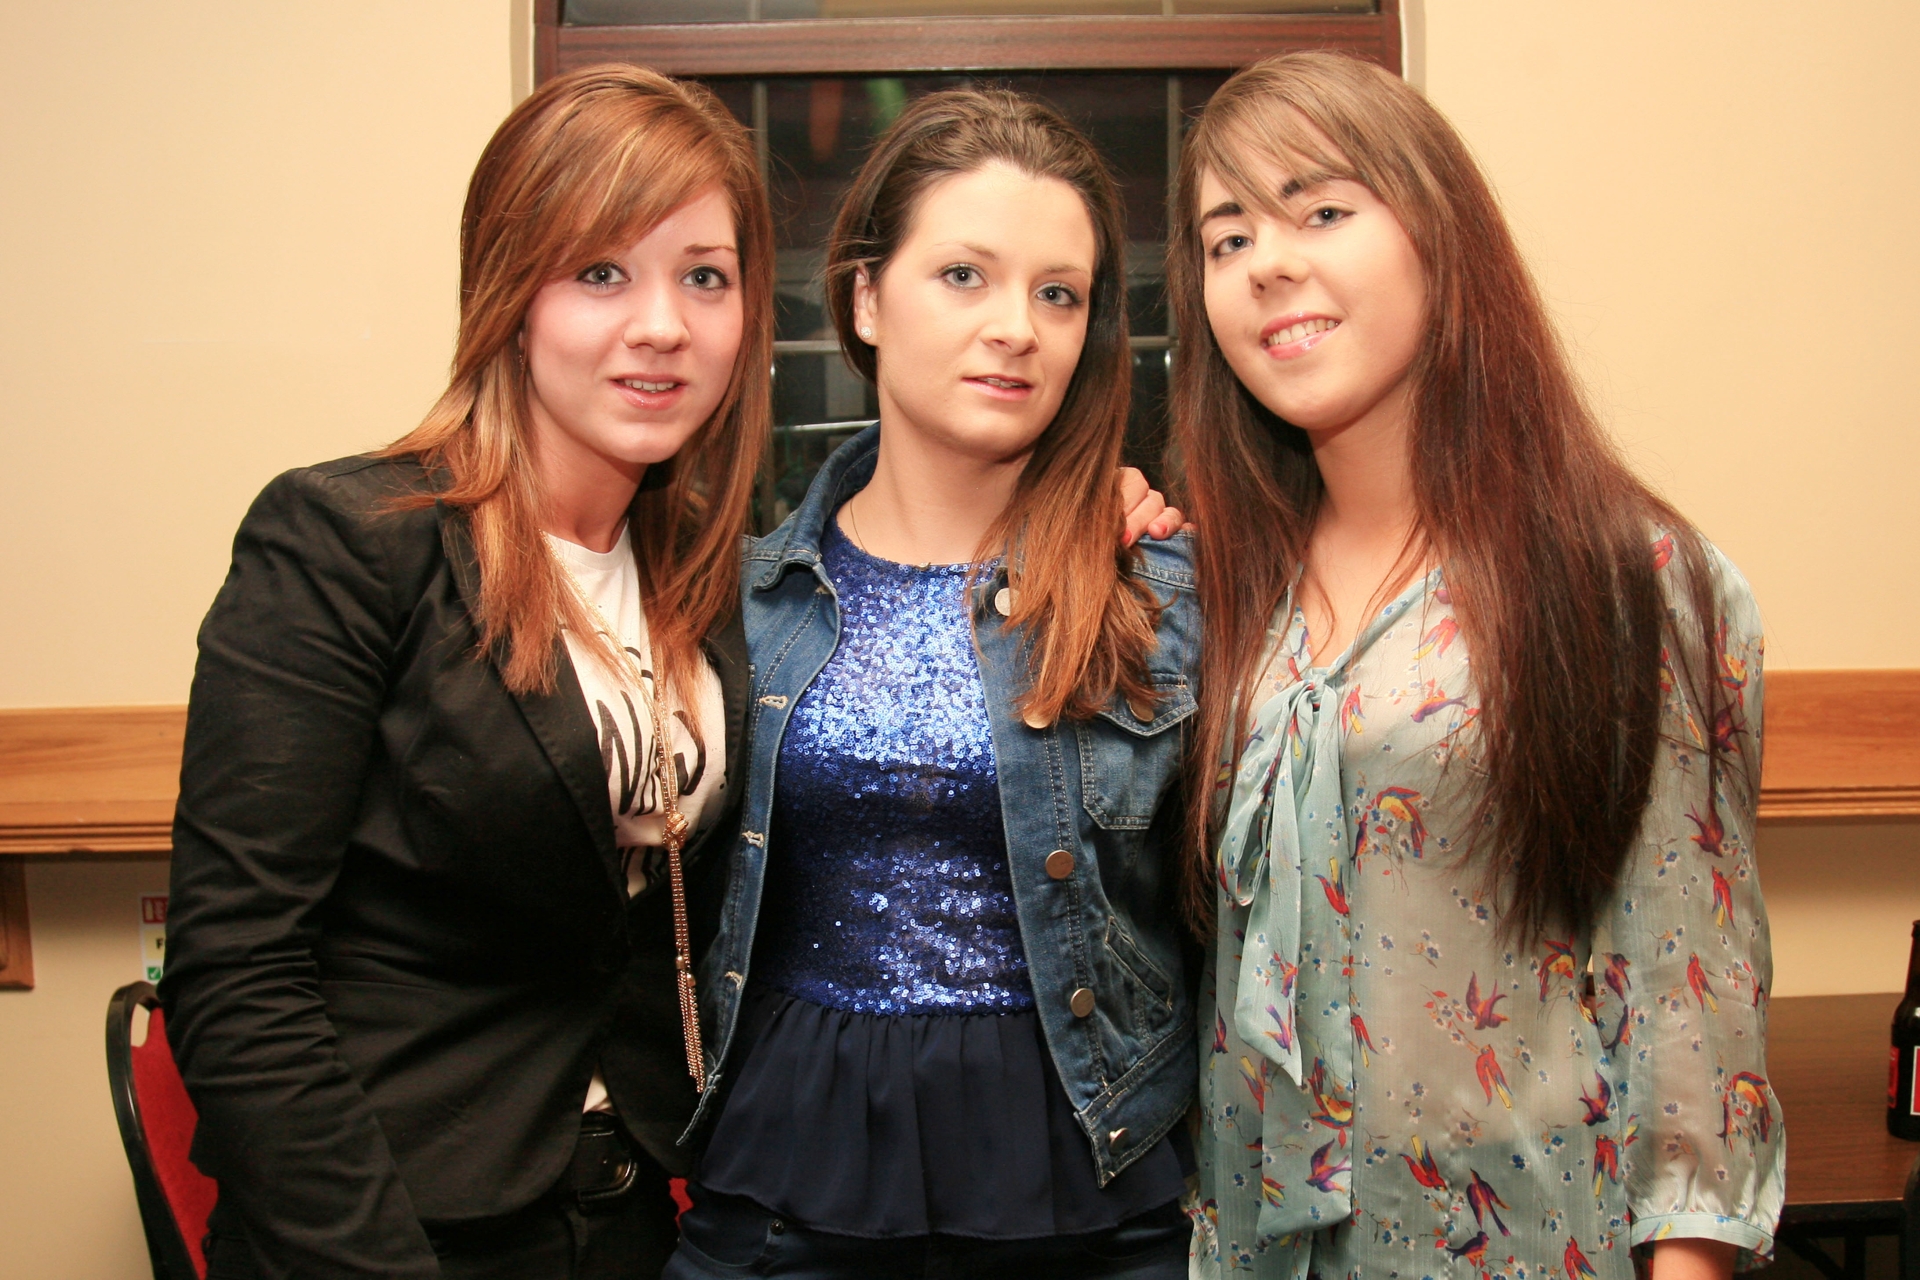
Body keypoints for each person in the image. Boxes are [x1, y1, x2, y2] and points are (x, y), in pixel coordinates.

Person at [1169, 53, 1782, 1280]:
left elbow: (1690, 1012)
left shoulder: (1624, 575)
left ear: (1439, 235)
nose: (1268, 262)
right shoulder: (1225, 585)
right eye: (1227, 238)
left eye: (1320, 211)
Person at [162, 65, 774, 1279]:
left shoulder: (713, 580)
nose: (663, 323)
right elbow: (237, 974)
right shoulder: (349, 542)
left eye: (704, 275)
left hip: (631, 1216)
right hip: (384, 1231)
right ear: (510, 292)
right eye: (602, 271)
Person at [664, 89, 1199, 1279]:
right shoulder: (736, 601)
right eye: (964, 275)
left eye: (1058, 293)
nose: (1016, 328)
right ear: (865, 296)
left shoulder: (1160, 591)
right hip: (789, 1180)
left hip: (1089, 1183)